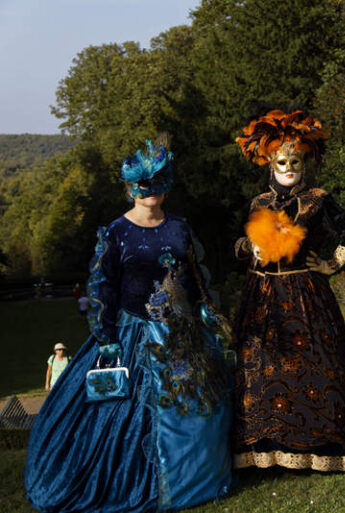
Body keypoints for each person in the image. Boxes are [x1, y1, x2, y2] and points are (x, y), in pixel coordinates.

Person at [25, 140, 233, 512]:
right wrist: (105, 337)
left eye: (157, 182)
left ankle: (198, 482)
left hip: (183, 335)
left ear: (167, 183)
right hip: (131, 334)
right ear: (128, 187)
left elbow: (194, 280)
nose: (149, 191)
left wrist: (204, 311)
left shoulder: (181, 229)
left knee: (203, 408)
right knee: (120, 419)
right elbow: (102, 288)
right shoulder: (117, 232)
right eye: (141, 184)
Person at [232, 109, 345, 472]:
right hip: (261, 297)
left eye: (295, 162)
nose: (289, 168)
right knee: (262, 370)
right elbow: (235, 241)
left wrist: (331, 264)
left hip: (305, 295)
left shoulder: (318, 199)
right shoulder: (258, 203)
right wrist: (246, 247)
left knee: (314, 369)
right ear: (270, 163)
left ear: (305, 163)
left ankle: (322, 443)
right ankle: (267, 445)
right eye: (282, 162)